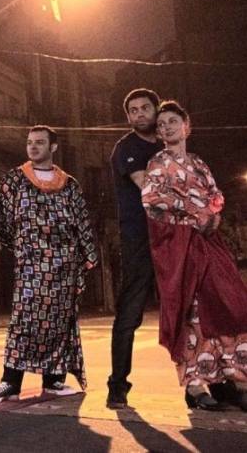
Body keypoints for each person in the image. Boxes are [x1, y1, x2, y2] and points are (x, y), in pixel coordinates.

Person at [141, 101, 247, 411]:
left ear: (187, 126)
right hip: (179, 246)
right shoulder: (158, 164)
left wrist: (212, 215)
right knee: (194, 311)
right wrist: (193, 213)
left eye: (173, 121)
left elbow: (216, 195)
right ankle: (197, 386)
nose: (166, 127)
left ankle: (236, 379)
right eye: (161, 125)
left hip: (210, 242)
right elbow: (152, 201)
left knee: (233, 302)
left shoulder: (200, 164)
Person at [0, 126, 98, 403]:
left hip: (64, 267)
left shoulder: (70, 185)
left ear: (53, 147)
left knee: (60, 321)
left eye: (40, 143)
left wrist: (88, 255)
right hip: (30, 265)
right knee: (24, 321)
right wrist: (23, 248)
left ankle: (54, 380)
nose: (33, 147)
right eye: (30, 142)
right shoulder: (15, 180)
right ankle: (10, 381)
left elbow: (82, 224)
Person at [106, 88, 163, 409]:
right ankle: (117, 385)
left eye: (145, 108)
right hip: (139, 238)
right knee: (130, 313)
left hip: (175, 237)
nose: (139, 114)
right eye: (133, 110)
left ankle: (204, 385)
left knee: (190, 312)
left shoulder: (169, 145)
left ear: (156, 110)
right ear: (128, 117)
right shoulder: (126, 148)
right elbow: (151, 188)